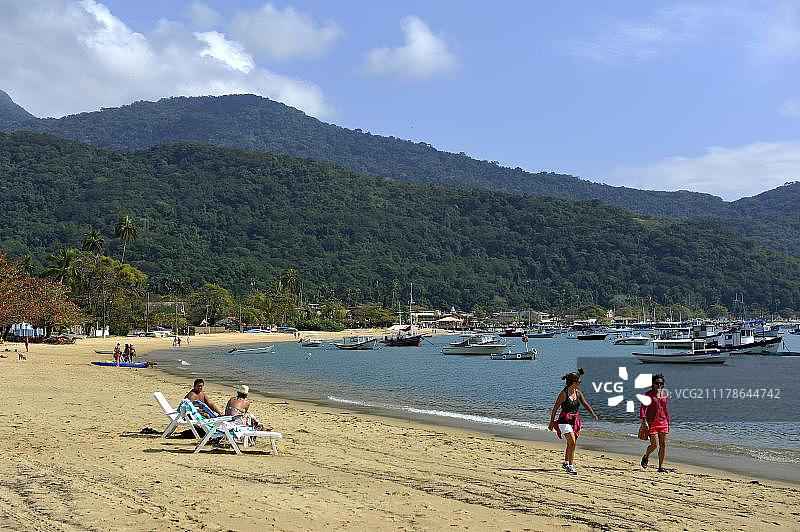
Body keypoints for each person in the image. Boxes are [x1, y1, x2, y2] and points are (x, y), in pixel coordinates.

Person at [548, 369, 598, 475]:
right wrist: (551, 422)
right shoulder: (563, 394)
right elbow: (555, 408)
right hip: (564, 421)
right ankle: (570, 466)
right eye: (579, 382)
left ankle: (566, 462)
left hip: (574, 421)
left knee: (570, 443)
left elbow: (585, 403)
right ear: (573, 382)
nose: (580, 383)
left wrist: (592, 414)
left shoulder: (578, 392)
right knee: (572, 443)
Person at [640, 373, 670, 472]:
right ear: (653, 383)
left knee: (663, 444)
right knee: (654, 445)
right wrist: (644, 420)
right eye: (657, 383)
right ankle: (646, 456)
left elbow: (664, 408)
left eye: (661, 383)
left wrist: (668, 421)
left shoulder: (664, 394)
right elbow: (643, 408)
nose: (659, 385)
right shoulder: (648, 394)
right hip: (652, 422)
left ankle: (660, 467)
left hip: (663, 422)